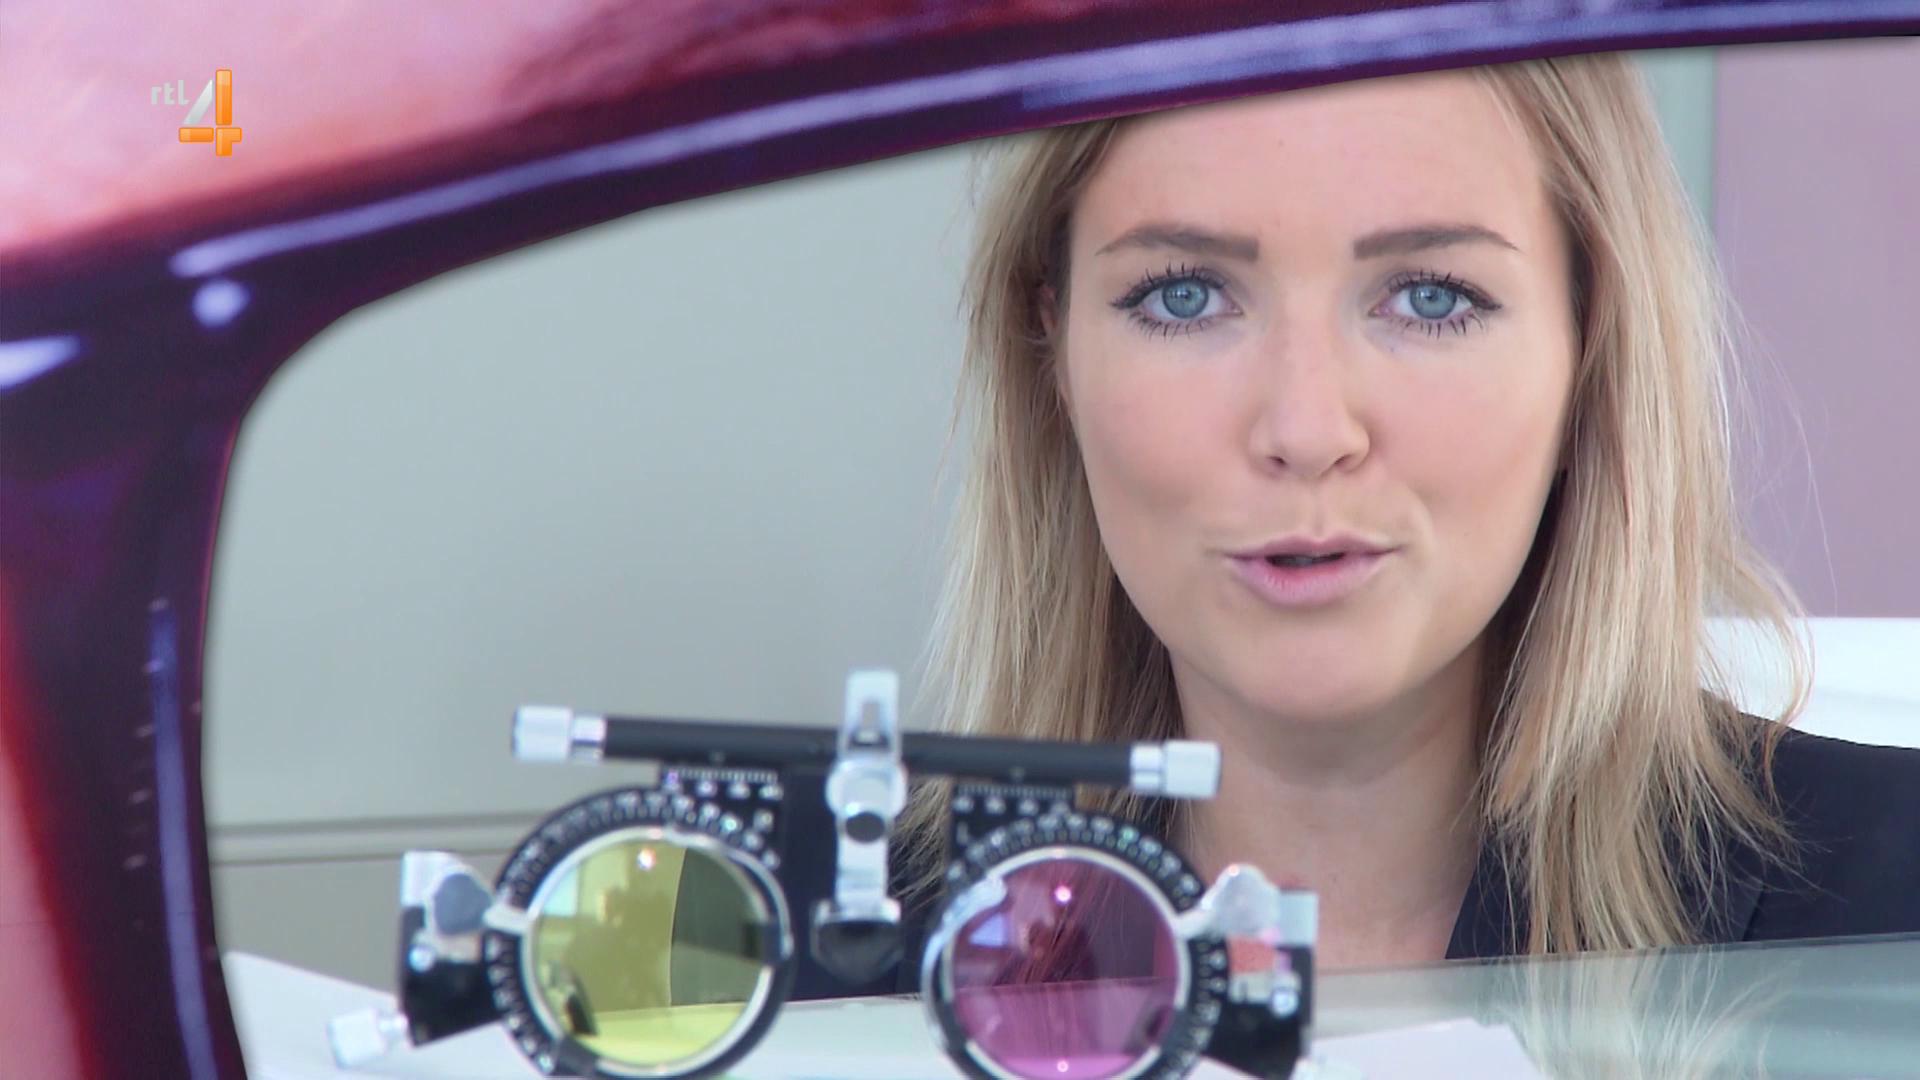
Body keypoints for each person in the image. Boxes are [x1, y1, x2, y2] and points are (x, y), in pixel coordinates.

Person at [879, 50, 1920, 980]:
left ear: (1590, 350)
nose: (1307, 429)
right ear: (1053, 353)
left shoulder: (1893, 906)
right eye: (1184, 295)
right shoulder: (827, 960)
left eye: (1430, 297)